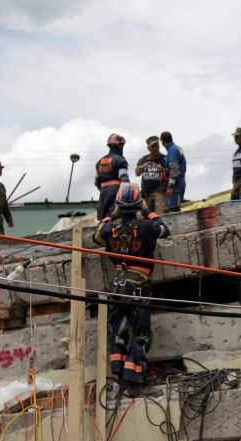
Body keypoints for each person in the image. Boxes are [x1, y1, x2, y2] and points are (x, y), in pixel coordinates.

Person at [94, 183, 170, 391]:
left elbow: (97, 235)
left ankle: (119, 374)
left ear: (118, 205)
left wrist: (111, 213)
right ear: (138, 203)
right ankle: (135, 382)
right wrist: (147, 210)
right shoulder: (147, 226)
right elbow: (165, 229)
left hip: (116, 286)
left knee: (118, 332)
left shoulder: (110, 228)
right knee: (141, 334)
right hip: (137, 286)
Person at [95, 133, 131, 220]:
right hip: (115, 192)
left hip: (103, 193)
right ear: (120, 146)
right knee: (115, 217)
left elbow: (96, 182)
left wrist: (105, 190)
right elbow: (124, 179)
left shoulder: (99, 162)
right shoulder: (120, 160)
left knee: (103, 219)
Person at [135, 136, 169, 214]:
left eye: (156, 146)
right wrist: (141, 167)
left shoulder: (165, 159)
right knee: (145, 216)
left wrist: (161, 169)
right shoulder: (143, 159)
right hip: (146, 193)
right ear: (148, 148)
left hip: (159, 192)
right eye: (153, 146)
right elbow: (137, 173)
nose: (155, 148)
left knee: (160, 216)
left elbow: (171, 173)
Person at [160, 131, 186, 212]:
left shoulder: (172, 150)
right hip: (179, 181)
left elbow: (174, 170)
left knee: (173, 209)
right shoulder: (176, 148)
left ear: (163, 141)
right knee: (173, 208)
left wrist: (170, 186)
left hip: (176, 184)